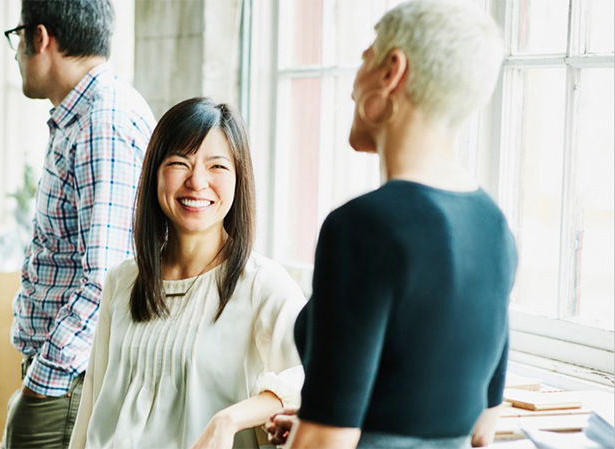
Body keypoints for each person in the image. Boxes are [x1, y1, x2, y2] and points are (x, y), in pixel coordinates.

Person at [266, 1, 517, 448]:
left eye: (366, 55)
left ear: (391, 72)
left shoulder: (364, 228)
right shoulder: (495, 229)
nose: (351, 85)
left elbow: (326, 443)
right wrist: (317, 419)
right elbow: (480, 426)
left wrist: (317, 431)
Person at [68, 97, 306, 449]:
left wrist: (230, 419)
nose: (197, 181)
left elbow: (314, 379)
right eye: (180, 162)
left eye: (217, 167)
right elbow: (92, 409)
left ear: (239, 179)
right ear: (155, 174)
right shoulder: (123, 279)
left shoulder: (263, 284)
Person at [1, 1, 155, 447]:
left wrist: (44, 379)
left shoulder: (102, 122)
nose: (16, 55)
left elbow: (108, 275)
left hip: (69, 381)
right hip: (61, 375)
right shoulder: (83, 116)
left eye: (17, 38)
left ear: (40, 38)